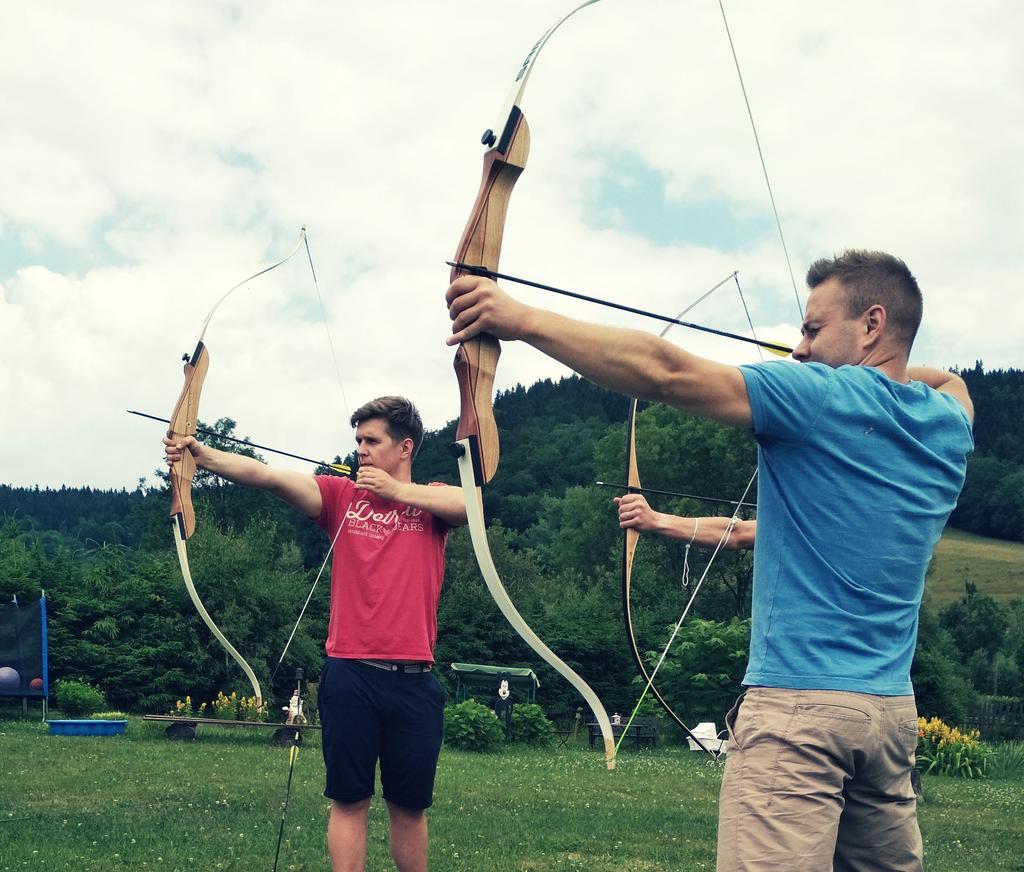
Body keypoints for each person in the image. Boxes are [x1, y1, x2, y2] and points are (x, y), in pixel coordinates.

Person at [445, 250, 974, 872]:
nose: (799, 350)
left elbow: (662, 371)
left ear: (872, 323)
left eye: (810, 329)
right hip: (888, 718)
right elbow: (950, 383)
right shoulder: (947, 425)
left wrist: (518, 318)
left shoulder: (818, 397)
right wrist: (893, 376)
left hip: (799, 711)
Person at [164, 396, 466, 872]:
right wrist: (204, 456)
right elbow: (269, 476)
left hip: (414, 679)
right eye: (358, 441)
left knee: (410, 806)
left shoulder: (432, 503)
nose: (361, 450)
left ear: (405, 447)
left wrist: (393, 490)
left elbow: (470, 505)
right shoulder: (341, 499)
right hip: (350, 673)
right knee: (349, 799)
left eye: (372, 440)